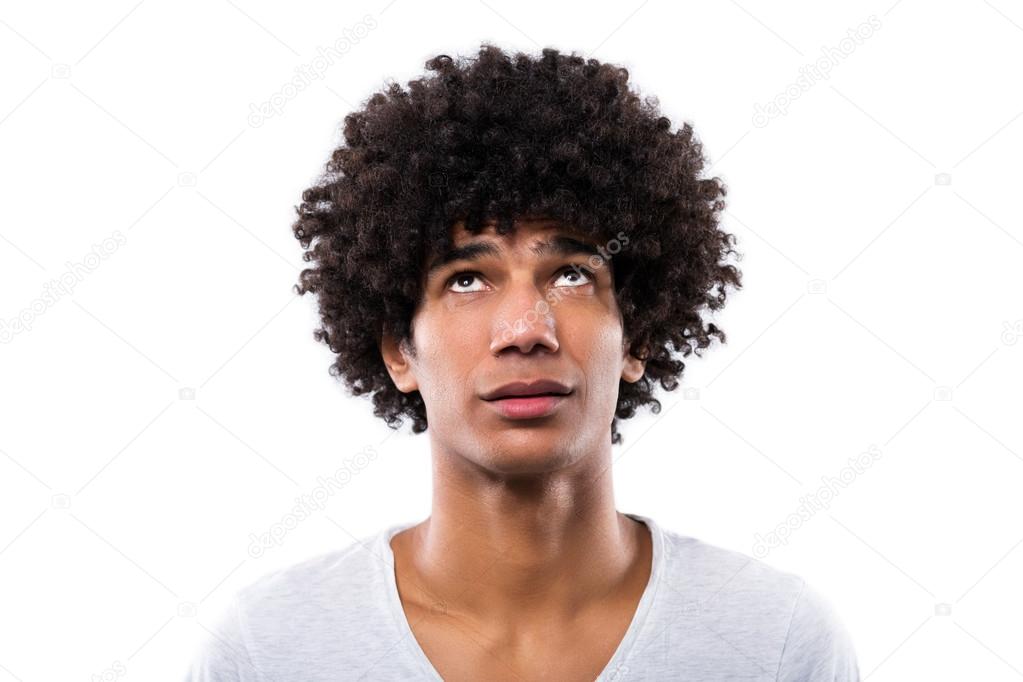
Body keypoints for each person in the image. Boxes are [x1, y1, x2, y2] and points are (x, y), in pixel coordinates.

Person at [186, 43, 859, 681]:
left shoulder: (772, 640)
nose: (523, 331)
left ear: (637, 338)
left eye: (570, 274)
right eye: (466, 280)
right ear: (398, 351)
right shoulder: (270, 648)